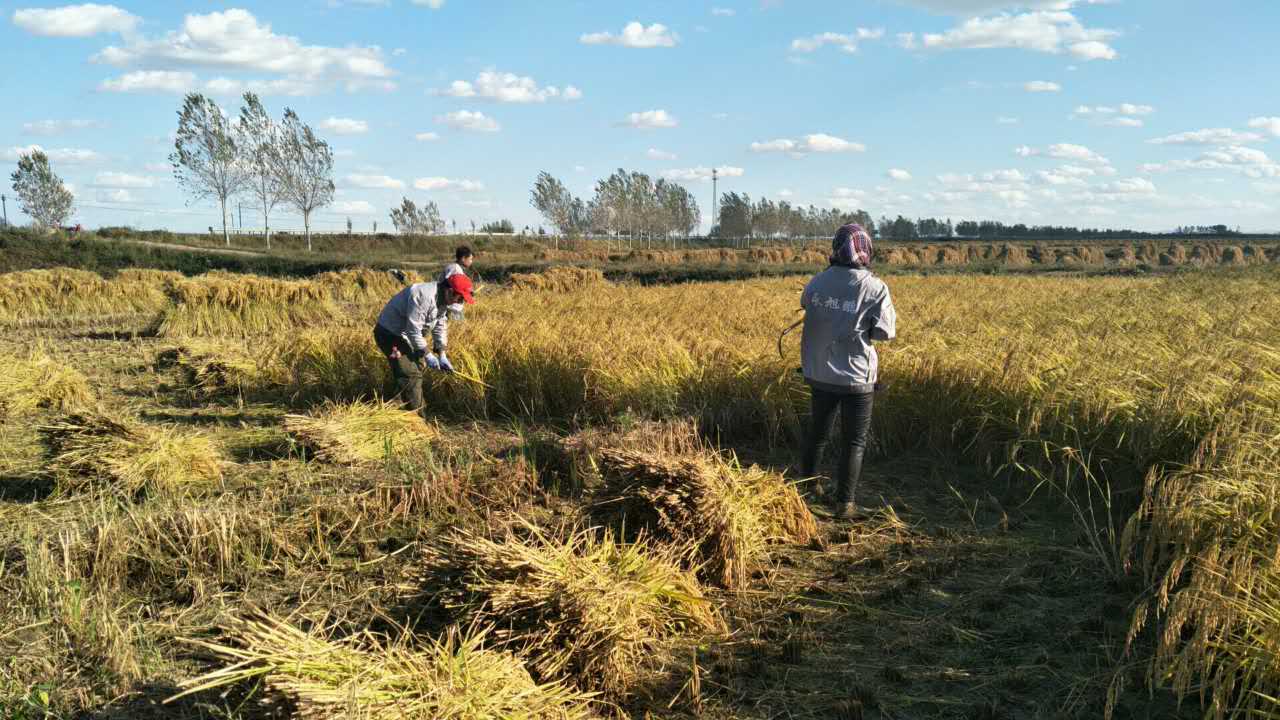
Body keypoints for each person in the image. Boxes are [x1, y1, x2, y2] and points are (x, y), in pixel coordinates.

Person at [798, 223, 897, 520]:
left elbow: (807, 306)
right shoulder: (874, 287)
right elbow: (884, 333)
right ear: (864, 249)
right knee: (854, 440)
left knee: (818, 432)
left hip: (819, 373)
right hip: (855, 377)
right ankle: (845, 504)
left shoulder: (817, 282)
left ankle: (808, 488)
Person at [373, 273, 475, 415]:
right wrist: (428, 355)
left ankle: (394, 408)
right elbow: (413, 330)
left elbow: (440, 325)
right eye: (460, 298)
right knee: (411, 373)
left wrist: (441, 354)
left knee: (418, 365)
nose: (460, 302)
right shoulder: (423, 296)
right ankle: (420, 419)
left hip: (406, 336)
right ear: (450, 291)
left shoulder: (444, 300)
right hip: (390, 334)